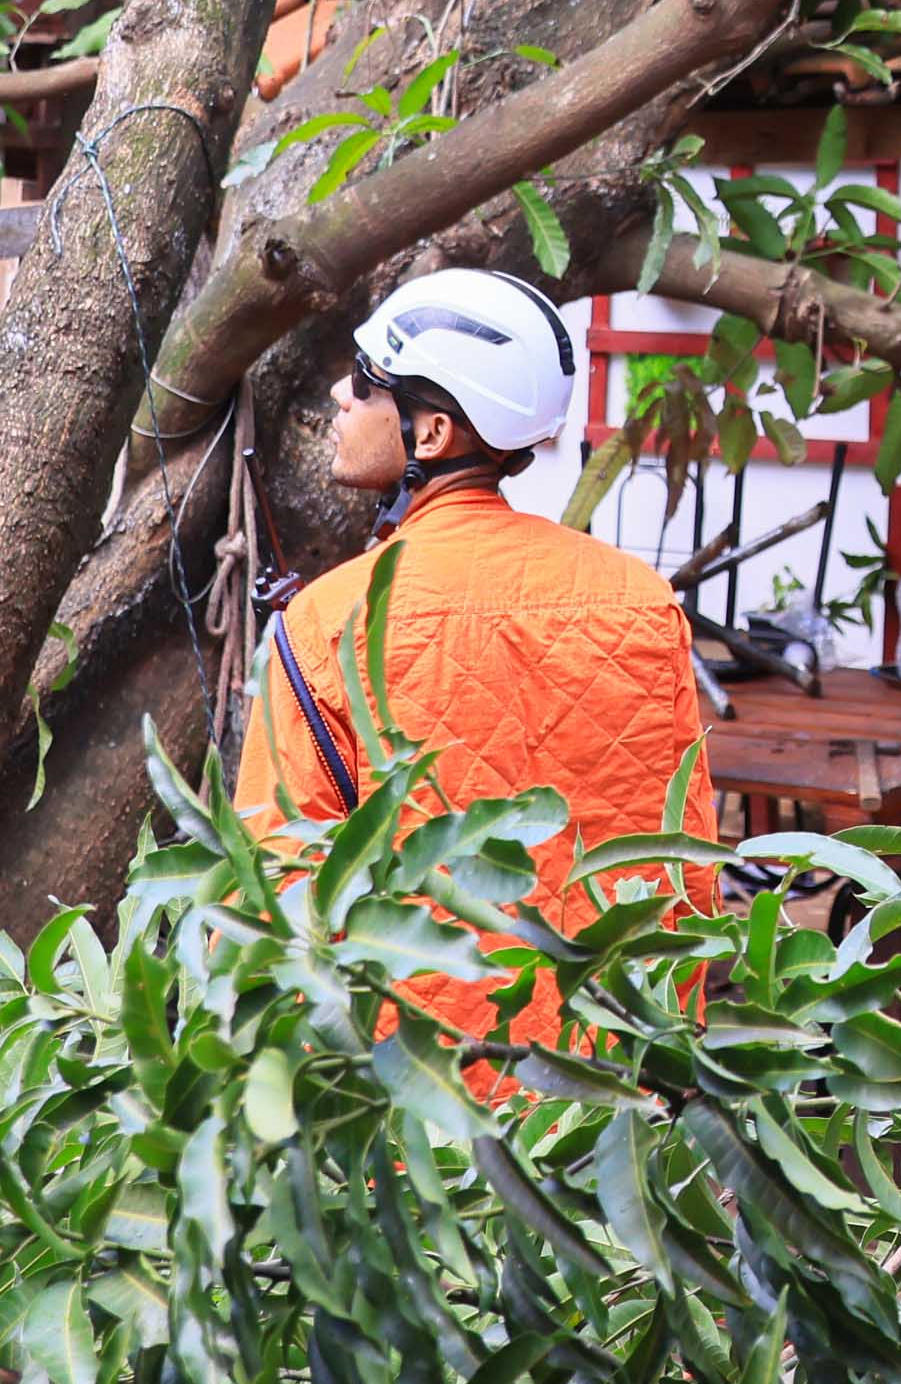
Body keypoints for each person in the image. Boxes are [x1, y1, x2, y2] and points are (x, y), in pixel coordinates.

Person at [229, 264, 719, 1054]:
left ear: (432, 434)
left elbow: (269, 902)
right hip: (605, 1097)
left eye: (366, 381)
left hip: (415, 1115)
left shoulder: (325, 623)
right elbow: (686, 868)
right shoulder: (644, 602)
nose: (341, 397)